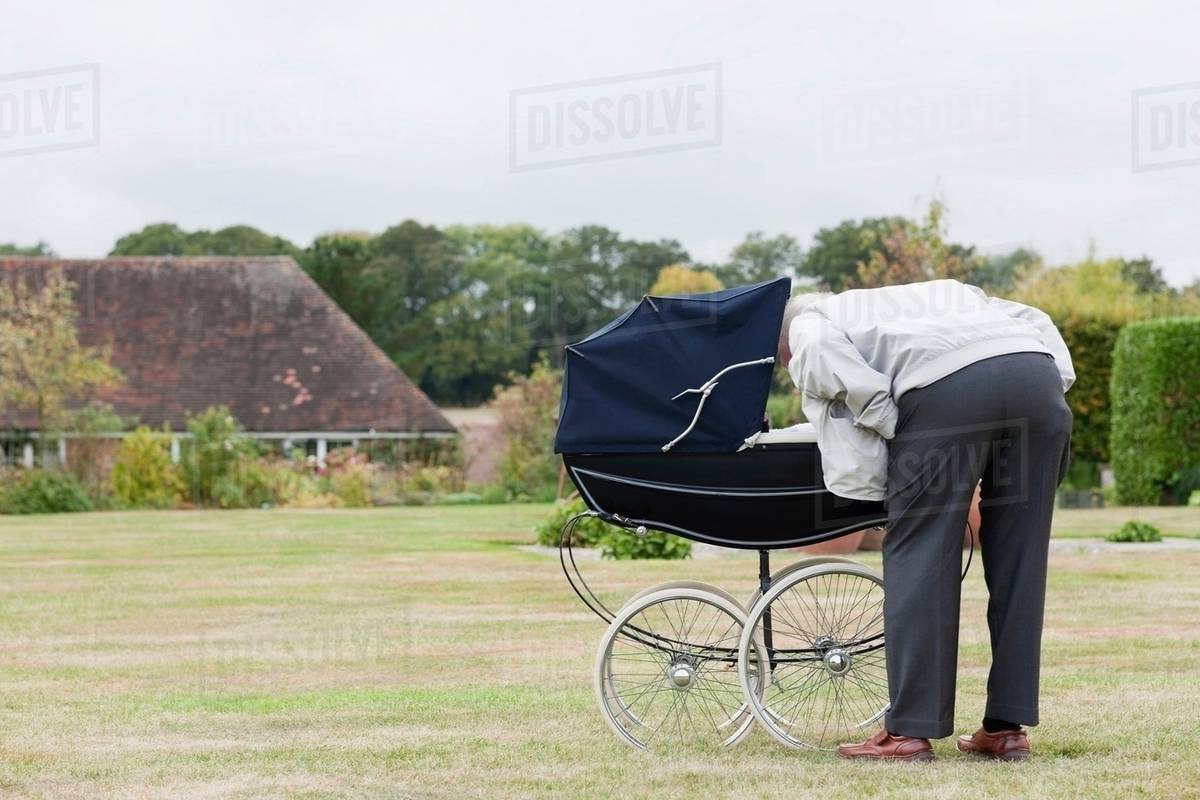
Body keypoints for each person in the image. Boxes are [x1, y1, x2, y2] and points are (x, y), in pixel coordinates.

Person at [778, 279, 1074, 762]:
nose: (789, 369)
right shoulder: (945, 293)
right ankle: (1006, 729)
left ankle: (908, 733)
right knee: (1022, 560)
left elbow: (836, 369)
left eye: (783, 362)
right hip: (1036, 381)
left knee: (919, 555)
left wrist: (896, 428)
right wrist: (1047, 386)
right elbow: (1036, 320)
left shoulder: (809, 322)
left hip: (946, 396)